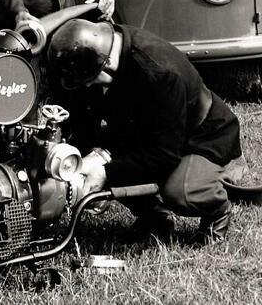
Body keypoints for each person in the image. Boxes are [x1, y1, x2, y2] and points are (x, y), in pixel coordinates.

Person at [47, 19, 242, 245]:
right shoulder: (103, 50)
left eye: (90, 80)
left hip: (202, 135)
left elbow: (165, 155)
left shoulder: (160, 71)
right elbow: (87, 123)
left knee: (179, 191)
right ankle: (155, 217)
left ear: (107, 62)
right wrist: (84, 160)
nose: (89, 88)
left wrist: (106, 173)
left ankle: (217, 210)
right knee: (98, 159)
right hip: (148, 130)